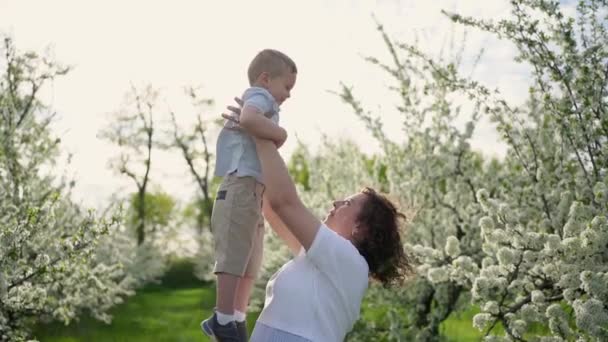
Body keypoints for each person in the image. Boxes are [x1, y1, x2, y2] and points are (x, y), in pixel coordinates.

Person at [222, 102, 413, 342]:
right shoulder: (317, 258)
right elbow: (271, 207)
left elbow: (285, 203)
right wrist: (252, 141)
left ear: (360, 227)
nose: (335, 203)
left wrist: (260, 132)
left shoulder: (350, 263)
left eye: (346, 204)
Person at [201, 49, 297, 342]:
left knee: (250, 261)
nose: (289, 95)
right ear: (266, 79)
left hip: (252, 192)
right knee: (234, 256)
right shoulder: (259, 97)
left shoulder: (266, 99)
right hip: (240, 188)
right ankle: (223, 318)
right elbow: (248, 119)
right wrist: (280, 135)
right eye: (287, 87)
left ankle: (237, 319)